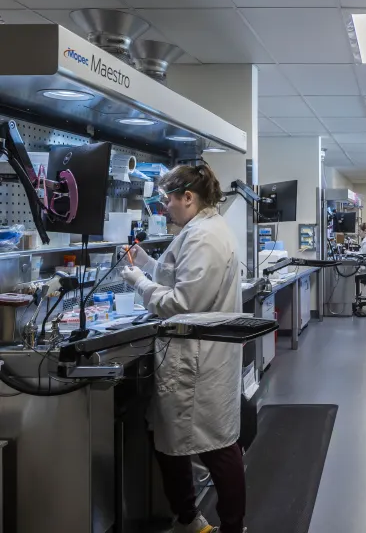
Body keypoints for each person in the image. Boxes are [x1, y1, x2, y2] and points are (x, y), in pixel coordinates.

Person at [120, 164, 245, 533]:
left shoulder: (204, 235)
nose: (164, 208)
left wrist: (141, 284)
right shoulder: (200, 229)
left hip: (198, 361)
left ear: (187, 197)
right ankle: (189, 518)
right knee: (171, 436)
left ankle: (227, 526)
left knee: (218, 447)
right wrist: (144, 263)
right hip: (196, 357)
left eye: (167, 200)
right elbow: (179, 274)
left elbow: (182, 302)